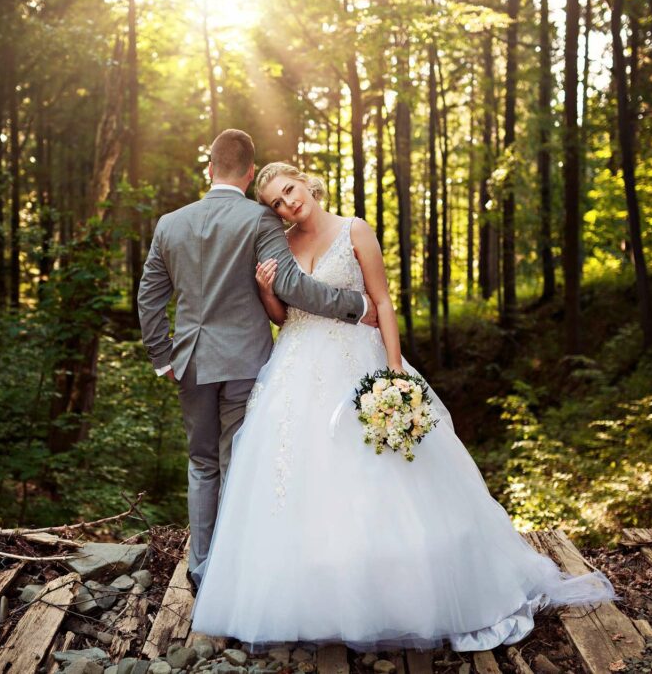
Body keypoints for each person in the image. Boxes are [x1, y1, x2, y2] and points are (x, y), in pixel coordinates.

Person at [189, 162, 616, 652]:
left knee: (381, 478)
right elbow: (286, 319)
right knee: (295, 481)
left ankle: (395, 596)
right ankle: (314, 601)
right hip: (295, 366)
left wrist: (394, 372)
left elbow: (383, 302)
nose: (289, 205)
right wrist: (267, 291)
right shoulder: (279, 243)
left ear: (306, 180)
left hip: (358, 359)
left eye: (290, 191)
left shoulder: (355, 229)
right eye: (277, 203)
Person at [137, 131, 378, 587]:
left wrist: (161, 355)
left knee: (201, 462)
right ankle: (233, 569)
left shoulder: (170, 223)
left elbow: (149, 296)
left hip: (190, 361)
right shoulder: (258, 219)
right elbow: (291, 285)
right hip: (246, 359)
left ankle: (201, 568)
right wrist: (357, 305)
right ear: (250, 175)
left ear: (209, 169)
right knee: (237, 460)